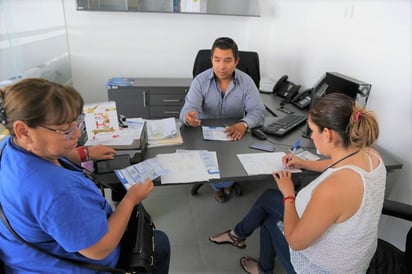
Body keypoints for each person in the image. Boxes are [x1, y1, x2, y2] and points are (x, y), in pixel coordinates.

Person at [0, 78, 170, 273]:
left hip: (24, 259)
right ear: (23, 130)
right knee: (159, 243)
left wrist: (84, 153)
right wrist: (131, 199)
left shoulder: (8, 147)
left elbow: (47, 155)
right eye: (64, 130)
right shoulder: (56, 191)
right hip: (71, 264)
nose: (75, 135)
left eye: (76, 123)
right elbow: (100, 249)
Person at [209, 92, 386, 274]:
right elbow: (340, 162)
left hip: (324, 268)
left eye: (312, 130)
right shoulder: (371, 155)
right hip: (354, 251)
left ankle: (261, 266)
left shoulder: (334, 188)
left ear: (327, 134)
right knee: (269, 197)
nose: (312, 136)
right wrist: (304, 163)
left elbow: (295, 241)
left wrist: (288, 194)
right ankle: (238, 236)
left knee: (270, 222)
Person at [179, 37, 266, 203]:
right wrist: (189, 117)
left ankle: (225, 183)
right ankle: (219, 186)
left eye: (227, 60)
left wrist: (244, 124)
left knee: (232, 165)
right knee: (217, 168)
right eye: (217, 60)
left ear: (236, 61)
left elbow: (259, 111)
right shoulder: (200, 81)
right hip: (204, 137)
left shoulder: (246, 82)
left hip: (234, 134)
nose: (221, 66)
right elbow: (188, 108)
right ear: (211, 59)